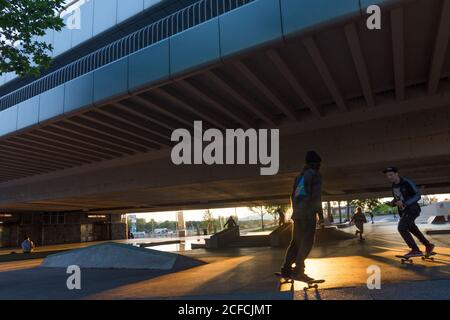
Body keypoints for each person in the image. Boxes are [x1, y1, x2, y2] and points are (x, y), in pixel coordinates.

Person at [280, 150, 324, 282]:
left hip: (297, 214)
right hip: (308, 214)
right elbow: (316, 196)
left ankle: (286, 270)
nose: (319, 166)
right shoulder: (315, 175)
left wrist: (296, 212)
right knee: (307, 242)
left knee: (296, 242)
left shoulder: (300, 176)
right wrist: (320, 216)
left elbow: (292, 196)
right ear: (316, 163)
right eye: (319, 164)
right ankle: (298, 271)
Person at [383, 167, 435, 258]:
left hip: (412, 209)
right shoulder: (393, 186)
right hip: (404, 211)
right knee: (412, 228)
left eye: (391, 174)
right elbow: (398, 198)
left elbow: (417, 195)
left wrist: (405, 203)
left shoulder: (407, 182)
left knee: (402, 227)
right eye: (387, 175)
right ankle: (428, 245)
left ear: (396, 174)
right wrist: (392, 203)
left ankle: (415, 250)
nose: (389, 177)